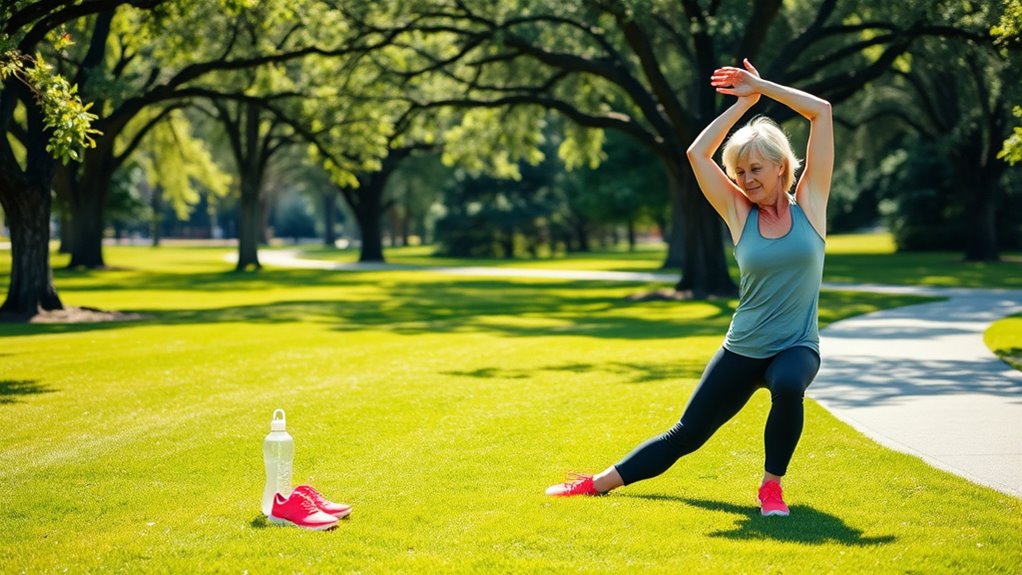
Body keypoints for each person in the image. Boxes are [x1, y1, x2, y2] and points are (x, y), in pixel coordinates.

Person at [545, 59, 833, 517]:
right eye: (739, 173)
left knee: (788, 386)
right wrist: (744, 105)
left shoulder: (812, 204)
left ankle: (771, 488)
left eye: (756, 169)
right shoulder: (739, 214)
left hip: (796, 345)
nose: (747, 180)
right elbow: (698, 154)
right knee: (686, 435)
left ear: (781, 167)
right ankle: (594, 484)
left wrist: (762, 85)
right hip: (742, 348)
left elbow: (821, 111)